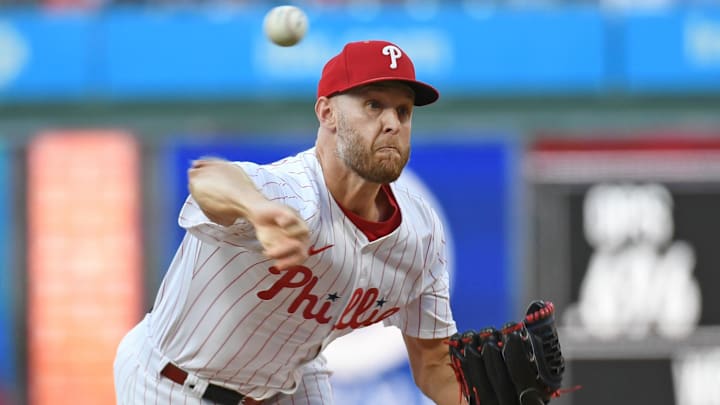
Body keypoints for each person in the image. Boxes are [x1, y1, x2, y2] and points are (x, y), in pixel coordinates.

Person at [114, 39, 464, 405]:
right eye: (373, 105)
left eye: (404, 111)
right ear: (327, 113)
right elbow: (209, 178)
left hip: (286, 385)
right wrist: (256, 209)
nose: (392, 123)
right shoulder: (292, 193)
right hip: (171, 382)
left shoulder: (420, 234)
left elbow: (434, 364)